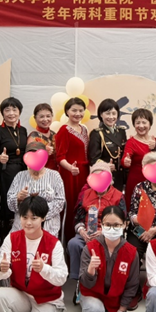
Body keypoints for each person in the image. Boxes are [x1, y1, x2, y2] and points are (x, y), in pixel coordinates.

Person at [0, 196, 68, 312]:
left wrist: (44, 269)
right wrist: (2, 268)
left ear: (43, 218)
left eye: (34, 218)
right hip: (22, 294)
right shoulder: (12, 238)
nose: (28, 223)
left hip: (46, 297)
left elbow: (62, 277)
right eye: (24, 217)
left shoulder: (54, 243)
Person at [79, 206, 141, 312]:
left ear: (125, 225)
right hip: (93, 296)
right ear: (101, 225)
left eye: (116, 225)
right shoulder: (90, 248)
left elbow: (132, 286)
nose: (112, 229)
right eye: (107, 225)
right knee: (94, 310)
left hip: (116, 302)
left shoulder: (131, 252)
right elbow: (84, 282)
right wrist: (91, 270)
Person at [68, 161, 126, 304]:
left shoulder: (118, 196)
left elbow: (122, 220)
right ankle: (80, 281)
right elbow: (78, 218)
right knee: (74, 243)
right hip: (87, 233)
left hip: (108, 234)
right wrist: (82, 232)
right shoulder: (85, 194)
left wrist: (104, 232)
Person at [6, 142, 65, 238]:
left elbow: (60, 201)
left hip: (48, 225)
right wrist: (18, 198)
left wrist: (38, 214)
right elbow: (9, 202)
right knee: (10, 245)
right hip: (22, 226)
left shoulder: (55, 176)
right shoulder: (19, 176)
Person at [0, 97, 28, 240]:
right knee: (6, 208)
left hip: (22, 172)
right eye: (7, 110)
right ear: (2, 113)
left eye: (14, 109)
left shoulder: (23, 130)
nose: (11, 113)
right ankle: (5, 240)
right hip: (4, 173)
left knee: (21, 204)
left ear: (20, 111)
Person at [55, 97, 90, 242]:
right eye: (74, 110)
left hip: (84, 172)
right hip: (70, 174)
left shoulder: (84, 129)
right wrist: (71, 168)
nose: (78, 113)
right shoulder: (64, 130)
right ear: (67, 112)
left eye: (81, 110)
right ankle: (67, 241)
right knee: (71, 206)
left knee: (84, 204)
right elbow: (60, 157)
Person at [122, 108, 156, 208]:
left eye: (144, 122)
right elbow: (125, 158)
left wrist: (155, 147)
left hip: (152, 182)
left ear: (150, 124)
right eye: (137, 123)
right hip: (136, 181)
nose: (141, 126)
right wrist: (126, 161)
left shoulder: (154, 140)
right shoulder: (131, 142)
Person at [89, 98, 127, 190]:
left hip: (120, 176)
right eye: (107, 113)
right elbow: (93, 159)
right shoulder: (97, 133)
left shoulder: (121, 131)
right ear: (101, 114)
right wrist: (105, 166)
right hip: (104, 176)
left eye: (114, 113)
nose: (111, 117)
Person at [26, 103, 57, 171]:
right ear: (35, 118)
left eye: (48, 116)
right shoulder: (33, 136)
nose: (45, 119)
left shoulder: (54, 135)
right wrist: (44, 152)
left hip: (56, 173)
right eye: (41, 117)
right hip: (40, 173)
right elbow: (30, 160)